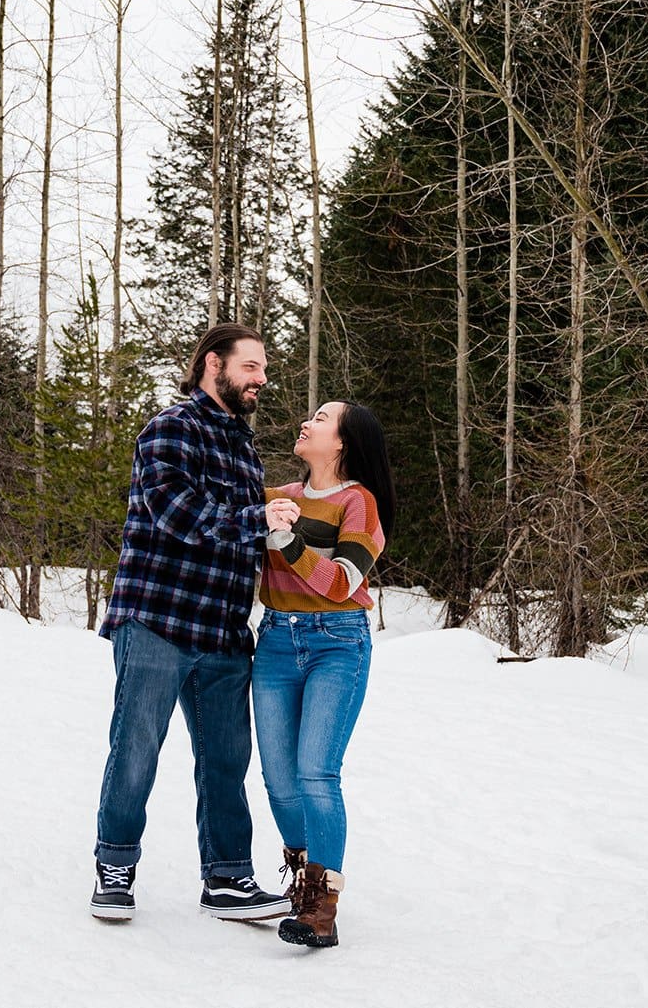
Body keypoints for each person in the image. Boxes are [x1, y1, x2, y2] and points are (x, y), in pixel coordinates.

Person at [89, 324, 295, 922]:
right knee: (136, 751)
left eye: (263, 369)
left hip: (225, 631)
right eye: (251, 367)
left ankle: (228, 879)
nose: (262, 379)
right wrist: (256, 518)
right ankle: (115, 868)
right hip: (157, 619)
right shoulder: (170, 429)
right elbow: (179, 513)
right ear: (214, 365)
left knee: (228, 761)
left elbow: (241, 532)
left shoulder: (243, 444)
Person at [252, 400, 395, 948]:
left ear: (341, 442)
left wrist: (288, 541)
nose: (306, 421)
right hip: (275, 641)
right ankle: (300, 875)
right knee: (279, 780)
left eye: (320, 418)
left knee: (315, 773)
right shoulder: (278, 498)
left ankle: (320, 906)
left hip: (336, 641)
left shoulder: (359, 503)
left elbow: (339, 582)